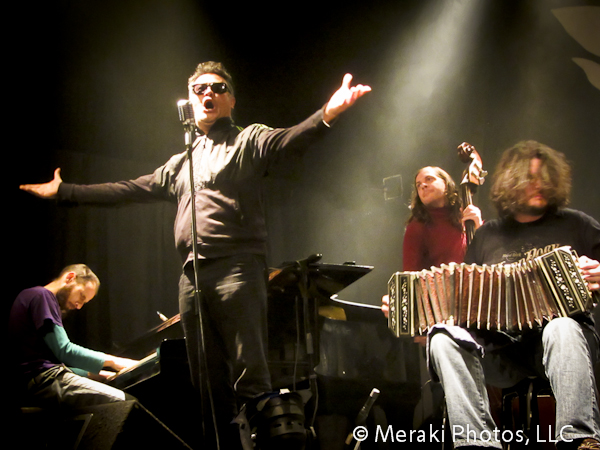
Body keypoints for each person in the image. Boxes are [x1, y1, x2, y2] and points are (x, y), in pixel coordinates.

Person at [19, 61, 371, 449]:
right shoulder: (180, 163)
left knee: (250, 376)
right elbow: (128, 190)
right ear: (190, 100)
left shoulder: (247, 140)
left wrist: (328, 114)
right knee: (207, 384)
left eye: (218, 87)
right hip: (192, 277)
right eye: (200, 88)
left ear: (231, 99)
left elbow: (288, 140)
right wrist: (65, 192)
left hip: (238, 267)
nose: (208, 93)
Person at [427, 141, 600, 449]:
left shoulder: (577, 224)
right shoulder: (488, 235)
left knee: (561, 326)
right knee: (443, 338)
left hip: (562, 347)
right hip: (502, 349)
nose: (539, 184)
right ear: (510, 182)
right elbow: (465, 299)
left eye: (543, 176)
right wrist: (418, 307)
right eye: (529, 177)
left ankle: (577, 440)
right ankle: (476, 444)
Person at [8, 264, 139, 410]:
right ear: (70, 278)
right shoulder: (42, 296)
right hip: (45, 382)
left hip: (34, 383)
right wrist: (114, 361)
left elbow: (49, 362)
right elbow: (64, 351)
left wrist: (97, 374)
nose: (79, 306)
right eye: (81, 296)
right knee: (127, 402)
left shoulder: (30, 295)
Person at [382, 165, 482, 314]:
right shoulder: (417, 226)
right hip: (439, 309)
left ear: (446, 185)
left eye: (429, 179)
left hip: (475, 304)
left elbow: (487, 261)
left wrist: (479, 226)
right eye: (418, 185)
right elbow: (411, 275)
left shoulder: (466, 219)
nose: (423, 185)